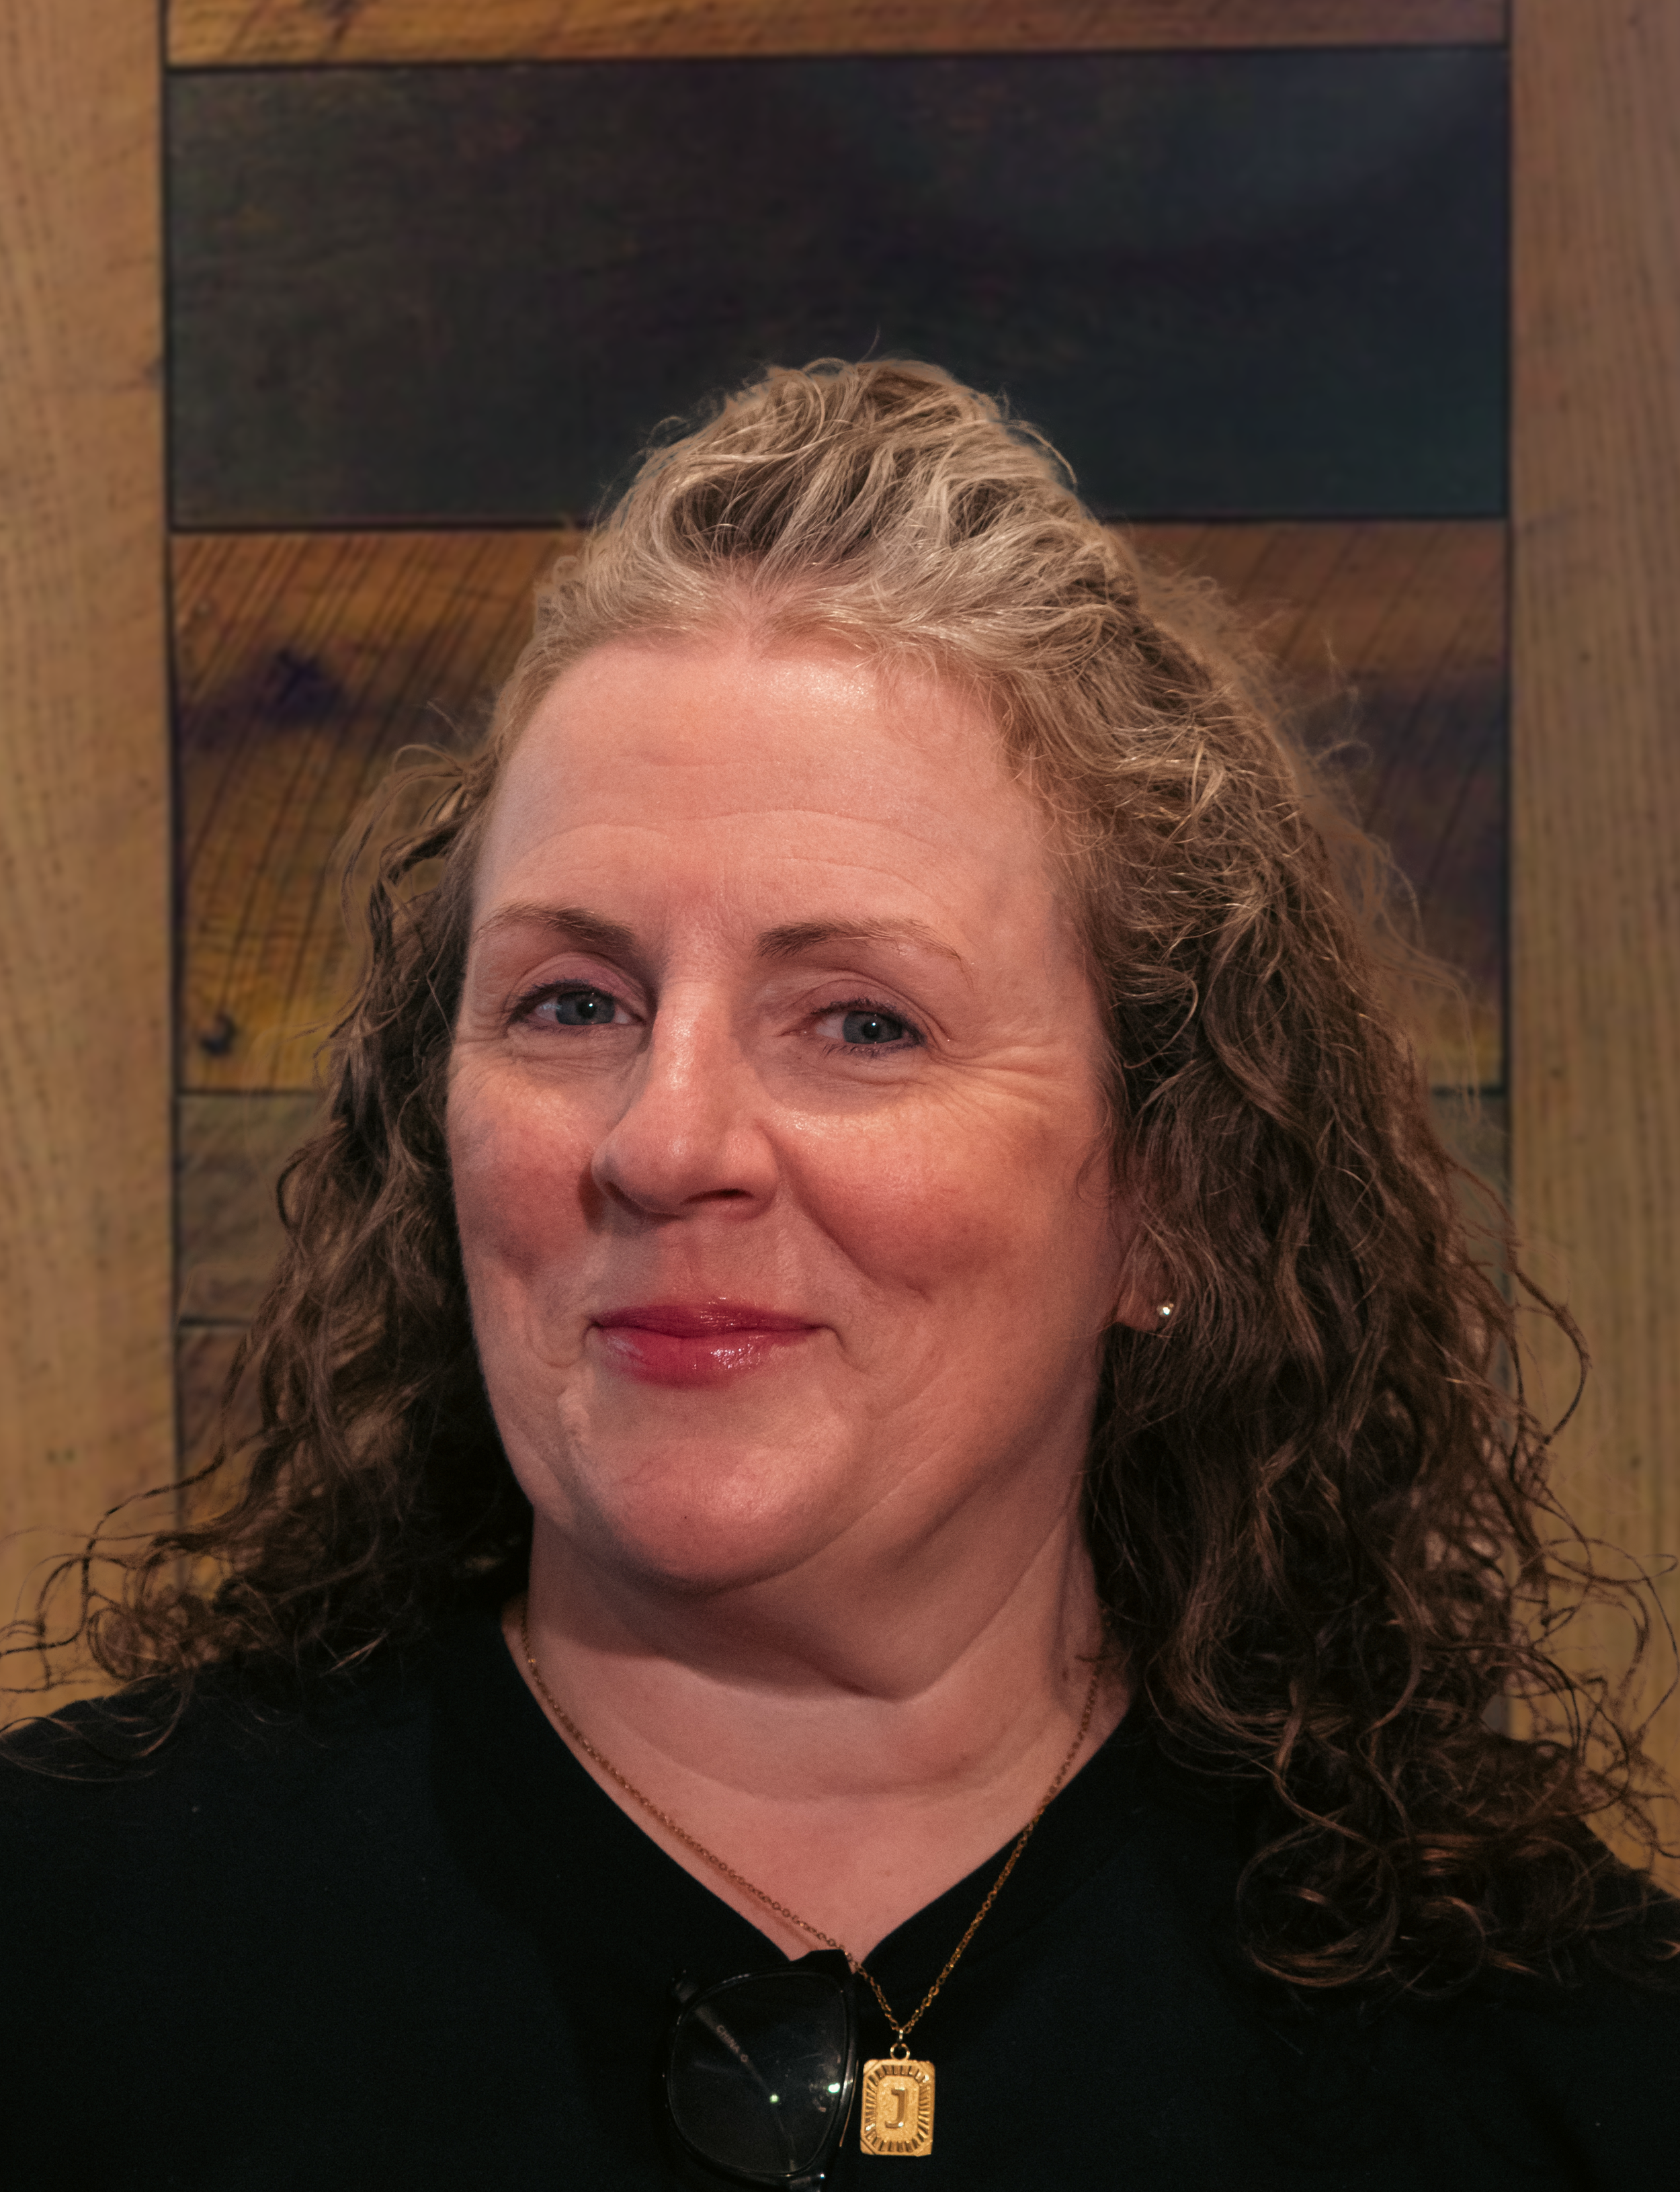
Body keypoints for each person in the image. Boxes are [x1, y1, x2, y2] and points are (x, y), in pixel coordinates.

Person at [3, 359, 1676, 2189]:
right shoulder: (63, 1955)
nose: (666, 1141)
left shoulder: (1562, 2071)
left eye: (862, 1022)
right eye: (573, 1003)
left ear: (1172, 1193)